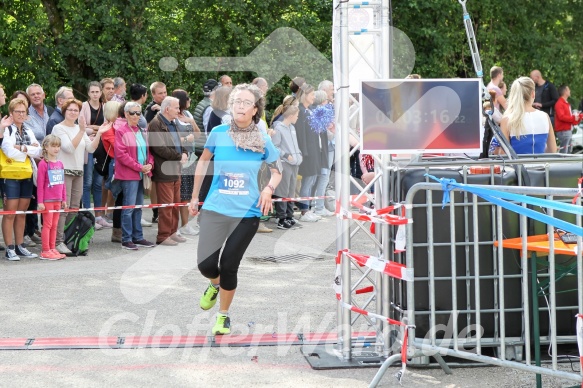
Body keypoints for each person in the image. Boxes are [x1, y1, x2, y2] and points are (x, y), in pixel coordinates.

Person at [188, 83, 282, 335]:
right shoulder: (218, 132)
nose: (240, 105)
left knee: (229, 264)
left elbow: (276, 170)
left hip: (247, 212)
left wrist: (268, 189)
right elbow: (203, 161)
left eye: (246, 102)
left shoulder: (262, 138)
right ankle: (214, 284)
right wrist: (195, 196)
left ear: (255, 110)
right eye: (236, 101)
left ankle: (223, 316)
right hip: (216, 208)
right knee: (206, 264)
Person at [52, 98, 110, 254]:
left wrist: (100, 134)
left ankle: (68, 237)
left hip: (78, 172)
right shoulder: (59, 128)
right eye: (70, 110)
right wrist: (82, 131)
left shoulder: (79, 128)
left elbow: (90, 149)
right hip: (64, 171)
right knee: (64, 207)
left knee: (74, 208)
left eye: (76, 110)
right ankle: (58, 241)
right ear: (64, 111)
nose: (73, 112)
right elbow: (69, 148)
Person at [1, 99, 42, 260]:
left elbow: (38, 150)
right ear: (11, 113)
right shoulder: (6, 129)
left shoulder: (28, 130)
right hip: (10, 175)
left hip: (26, 174)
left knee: (21, 213)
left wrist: (22, 148)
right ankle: (9, 248)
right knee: (10, 212)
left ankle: (20, 246)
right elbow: (8, 151)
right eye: (17, 111)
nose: (20, 114)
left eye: (23, 111)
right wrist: (28, 150)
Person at [114, 101, 156, 250]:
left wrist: (150, 164)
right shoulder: (120, 131)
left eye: (138, 113)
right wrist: (140, 167)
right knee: (129, 207)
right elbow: (121, 155)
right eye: (132, 113)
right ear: (125, 114)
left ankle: (138, 237)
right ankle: (126, 239)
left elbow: (149, 152)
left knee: (139, 207)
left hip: (142, 173)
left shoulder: (143, 130)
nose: (136, 116)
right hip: (129, 174)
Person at [148, 96, 188, 246]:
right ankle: (163, 235)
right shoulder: (156, 124)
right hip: (164, 170)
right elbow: (159, 148)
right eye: (176, 107)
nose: (179, 110)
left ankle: (172, 232)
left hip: (175, 169)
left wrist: (184, 152)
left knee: (175, 203)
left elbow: (179, 141)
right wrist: (179, 156)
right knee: (166, 205)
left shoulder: (172, 123)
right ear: (167, 109)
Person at [494, 77, 557, 155]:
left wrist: (496, 150)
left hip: (517, 166)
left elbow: (504, 153)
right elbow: (553, 150)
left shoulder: (507, 119)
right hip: (541, 165)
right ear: (533, 94)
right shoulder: (545, 117)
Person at [80, 81, 110, 229]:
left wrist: (93, 128)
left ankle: (98, 216)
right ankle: (87, 215)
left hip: (101, 148)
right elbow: (82, 128)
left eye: (97, 92)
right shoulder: (84, 107)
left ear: (100, 93)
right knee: (87, 182)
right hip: (88, 147)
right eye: (92, 92)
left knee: (98, 183)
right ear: (88, 93)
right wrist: (97, 129)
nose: (95, 94)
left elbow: (108, 126)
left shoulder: (105, 107)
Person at [172, 89, 201, 237]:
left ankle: (185, 224)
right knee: (179, 194)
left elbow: (197, 134)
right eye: (187, 98)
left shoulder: (188, 115)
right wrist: (185, 140)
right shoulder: (172, 118)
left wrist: (191, 121)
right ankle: (176, 226)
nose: (190, 100)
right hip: (180, 159)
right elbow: (171, 139)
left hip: (191, 158)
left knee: (187, 194)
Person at [271, 105, 302, 229]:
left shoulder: (292, 128)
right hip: (285, 163)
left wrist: (298, 155)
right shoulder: (278, 128)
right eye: (297, 115)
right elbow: (275, 146)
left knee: (291, 190)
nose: (298, 118)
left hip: (295, 164)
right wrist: (286, 155)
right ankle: (281, 218)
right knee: (283, 190)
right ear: (290, 116)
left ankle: (290, 216)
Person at [37, 135, 67, 260]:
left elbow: (63, 183)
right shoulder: (43, 164)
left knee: (55, 225)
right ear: (46, 147)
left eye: (58, 146)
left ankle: (52, 247)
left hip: (58, 200)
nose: (56, 149)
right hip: (47, 201)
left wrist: (64, 199)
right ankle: (45, 250)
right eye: (53, 146)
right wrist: (40, 201)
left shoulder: (60, 164)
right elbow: (40, 184)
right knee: (47, 225)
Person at [100, 101, 123, 242]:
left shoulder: (115, 126)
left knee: (122, 198)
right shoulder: (107, 128)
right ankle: (117, 232)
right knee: (119, 197)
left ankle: (121, 230)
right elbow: (119, 146)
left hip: (121, 164)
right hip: (116, 164)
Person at [554, 85, 583, 153]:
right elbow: (561, 117)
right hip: (563, 130)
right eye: (568, 90)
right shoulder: (560, 103)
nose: (570, 91)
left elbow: (567, 116)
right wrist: (573, 118)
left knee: (568, 150)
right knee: (564, 151)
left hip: (567, 130)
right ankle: (562, 163)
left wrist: (577, 118)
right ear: (565, 91)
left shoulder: (566, 103)